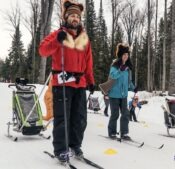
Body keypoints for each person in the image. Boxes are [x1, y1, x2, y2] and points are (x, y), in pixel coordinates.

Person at [39, 0, 95, 162]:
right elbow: (43, 50)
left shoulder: (84, 39)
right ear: (66, 17)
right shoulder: (59, 34)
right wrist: (57, 40)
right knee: (63, 118)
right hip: (62, 84)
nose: (75, 18)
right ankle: (61, 150)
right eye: (72, 15)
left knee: (79, 118)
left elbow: (88, 62)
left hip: (80, 83)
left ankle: (75, 145)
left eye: (77, 16)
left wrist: (90, 80)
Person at [107, 43, 137, 140]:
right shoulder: (115, 65)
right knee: (115, 114)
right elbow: (113, 76)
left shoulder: (128, 68)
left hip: (123, 95)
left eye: (127, 55)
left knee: (126, 114)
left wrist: (133, 88)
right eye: (124, 55)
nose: (126, 56)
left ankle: (124, 133)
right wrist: (120, 69)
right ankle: (112, 133)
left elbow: (128, 81)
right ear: (120, 55)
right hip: (114, 95)